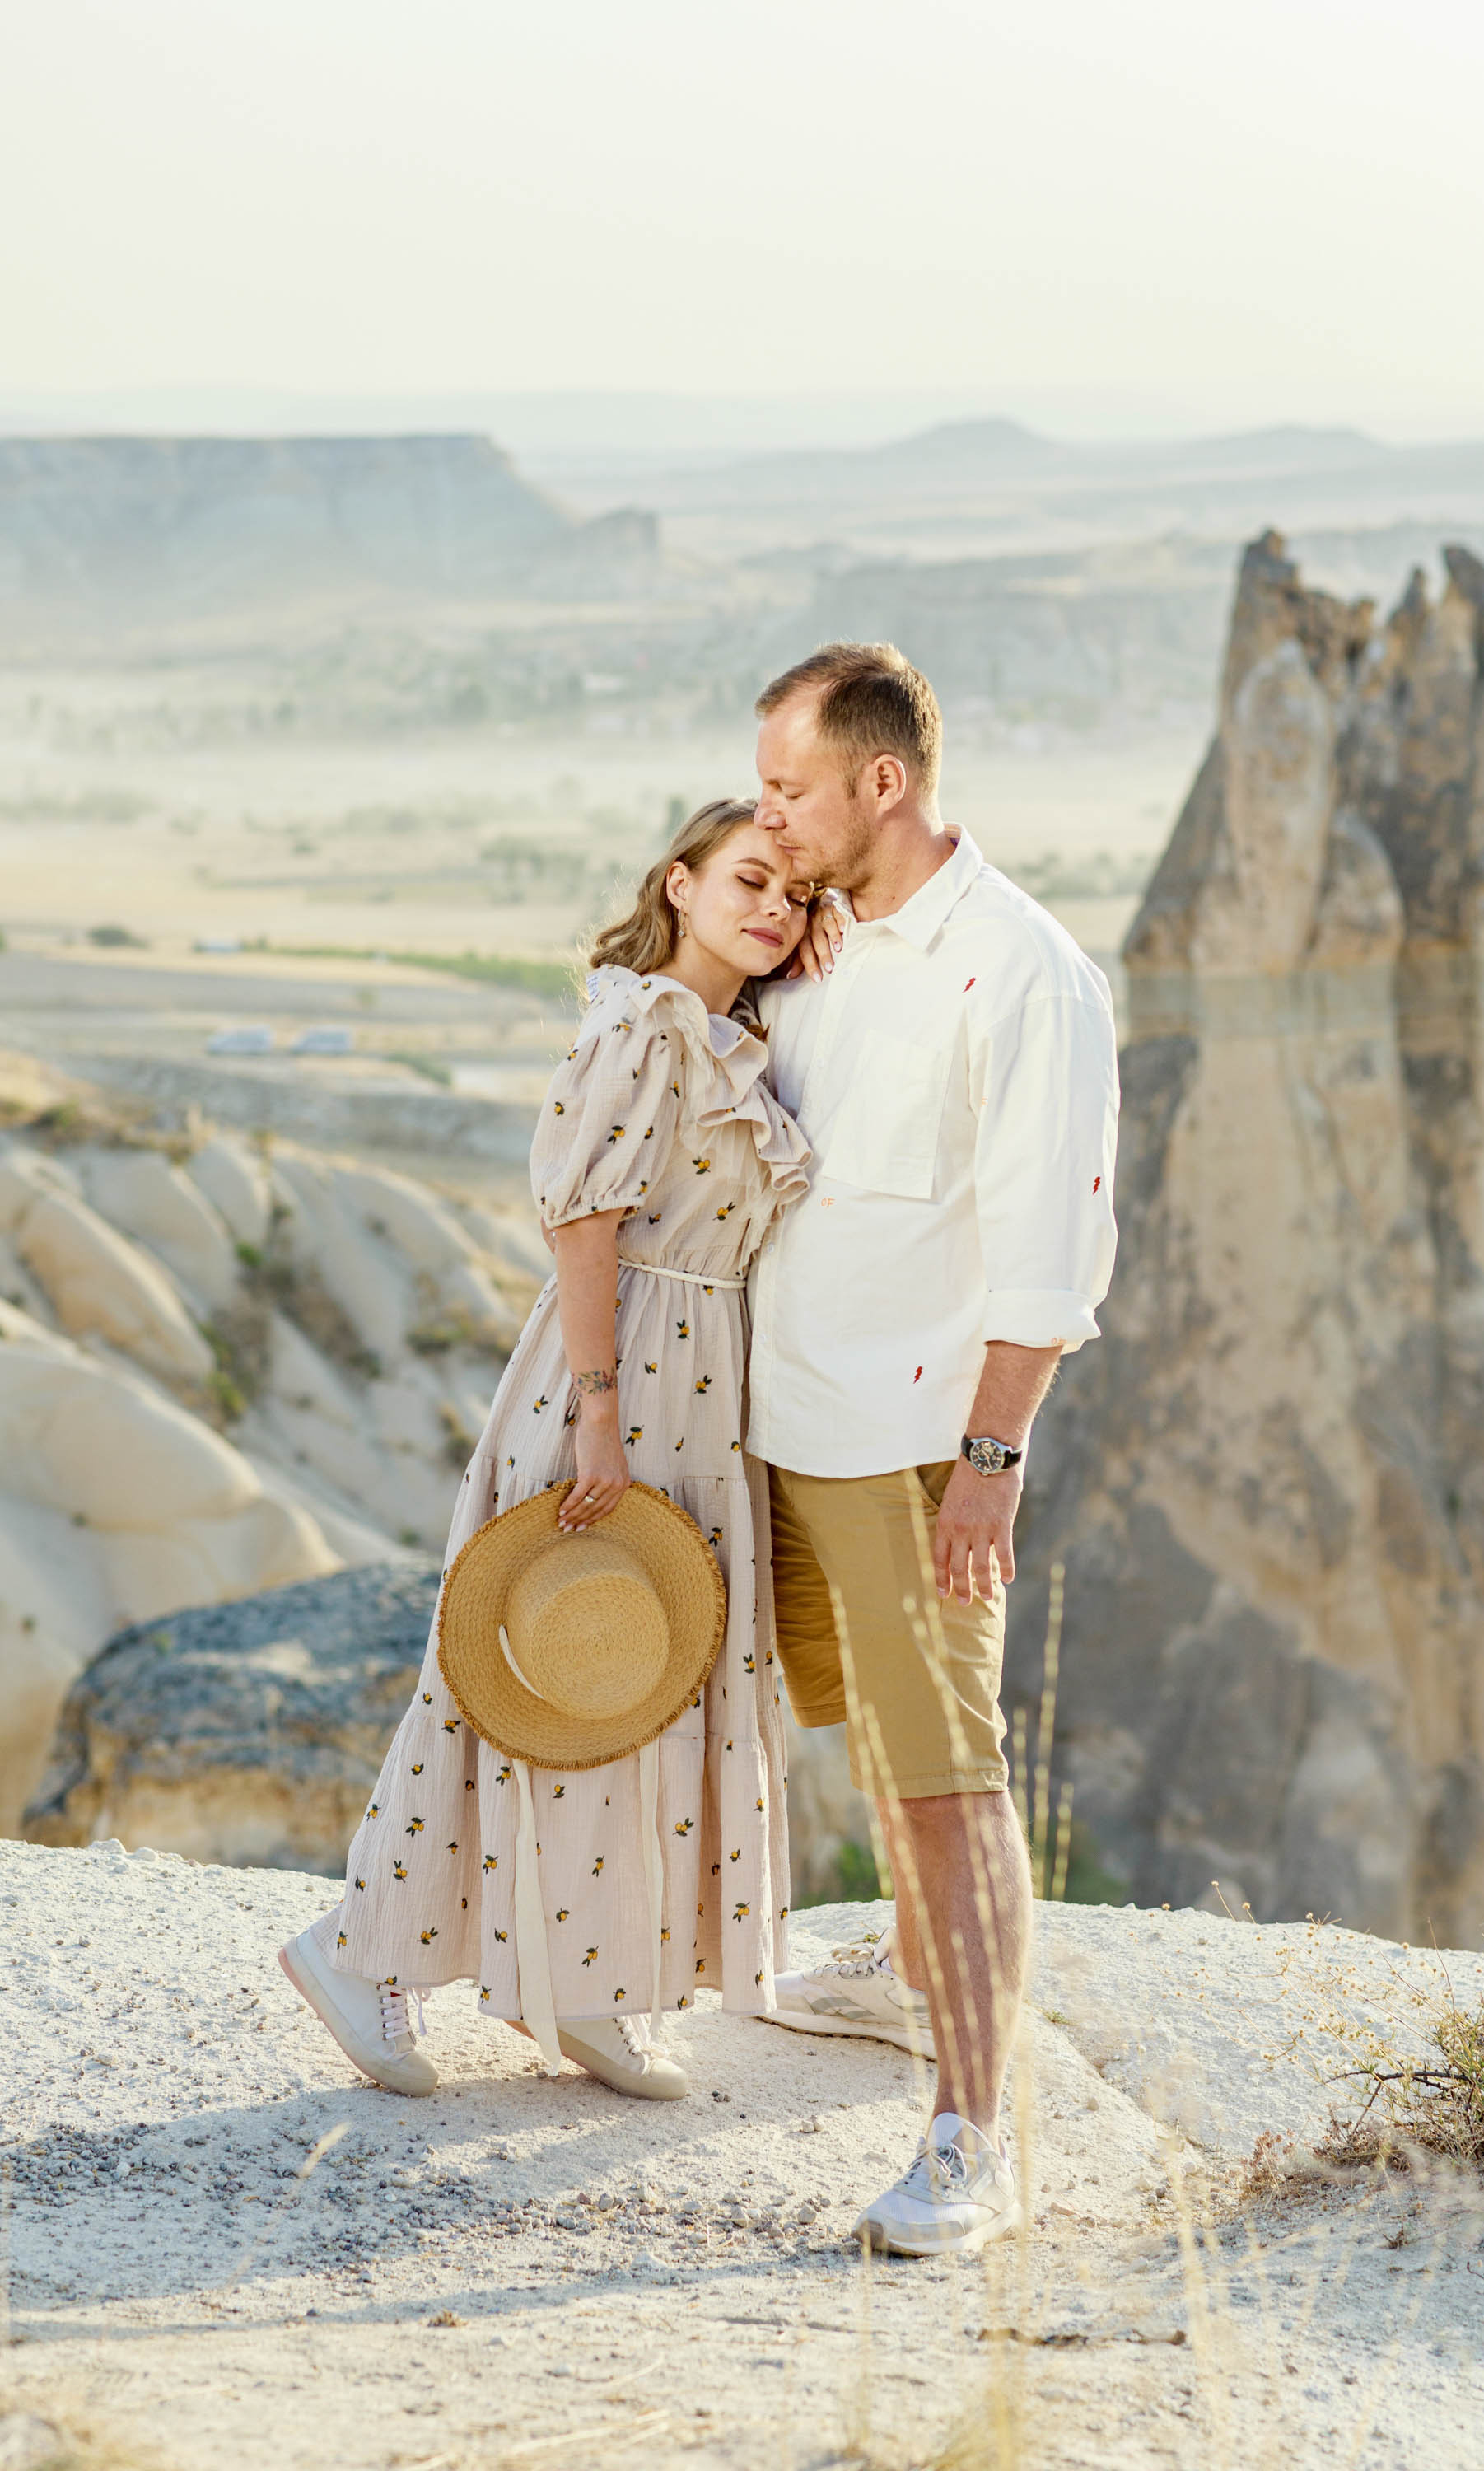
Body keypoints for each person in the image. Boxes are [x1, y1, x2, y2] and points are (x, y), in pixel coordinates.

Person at [278, 799, 816, 2100]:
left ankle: (586, 1983)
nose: (772, 910)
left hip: (705, 1393)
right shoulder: (641, 1024)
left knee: (642, 1681)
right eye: (748, 880)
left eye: (794, 898)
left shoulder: (744, 1038)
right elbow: (585, 1226)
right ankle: (356, 1950)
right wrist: (596, 1410)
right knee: (522, 1672)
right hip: (618, 1374)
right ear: (679, 884)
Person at [747, 642, 1120, 2256]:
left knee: (952, 1777)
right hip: (793, 1422)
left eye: (790, 787)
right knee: (874, 1749)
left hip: (913, 1445)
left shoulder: (1026, 973)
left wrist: (992, 1460)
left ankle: (976, 2139)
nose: (768, 813)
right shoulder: (822, 939)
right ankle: (905, 1971)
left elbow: (1049, 1257)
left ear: (880, 785)